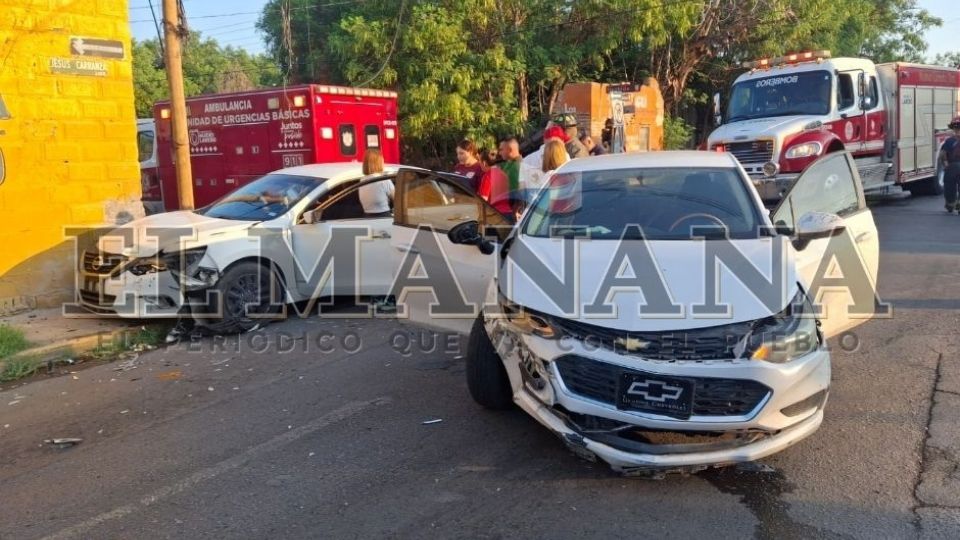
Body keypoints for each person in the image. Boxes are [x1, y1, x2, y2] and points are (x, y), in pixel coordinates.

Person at [477, 149, 513, 218]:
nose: (479, 164)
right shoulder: (504, 174)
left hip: (495, 215)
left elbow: (483, 200)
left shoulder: (488, 175)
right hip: (508, 213)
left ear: (484, 163)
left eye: (479, 161)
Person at [358, 148, 393, 217]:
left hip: (367, 218)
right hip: (384, 218)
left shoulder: (362, 181)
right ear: (379, 163)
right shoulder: (384, 180)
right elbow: (398, 200)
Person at [498, 136, 524, 213]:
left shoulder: (517, 167)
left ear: (510, 150)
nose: (499, 153)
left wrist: (515, 211)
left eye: (501, 150)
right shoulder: (510, 165)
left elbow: (518, 194)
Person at [941, 116, 960, 213]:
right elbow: (943, 154)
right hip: (953, 166)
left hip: (952, 166)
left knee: (949, 186)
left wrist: (946, 165)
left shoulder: (949, 141)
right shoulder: (950, 141)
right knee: (950, 186)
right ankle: (954, 203)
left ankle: (952, 204)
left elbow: (943, 154)